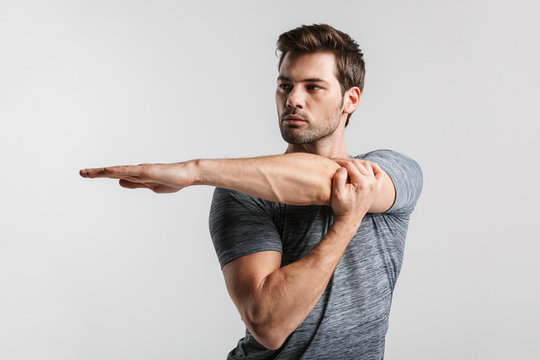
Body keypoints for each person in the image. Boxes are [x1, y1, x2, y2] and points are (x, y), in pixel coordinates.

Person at [80, 24, 423, 359]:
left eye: (313, 87)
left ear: (350, 99)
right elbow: (269, 326)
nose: (293, 99)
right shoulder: (242, 193)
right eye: (285, 85)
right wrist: (346, 223)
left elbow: (332, 181)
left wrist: (195, 171)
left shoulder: (393, 170)